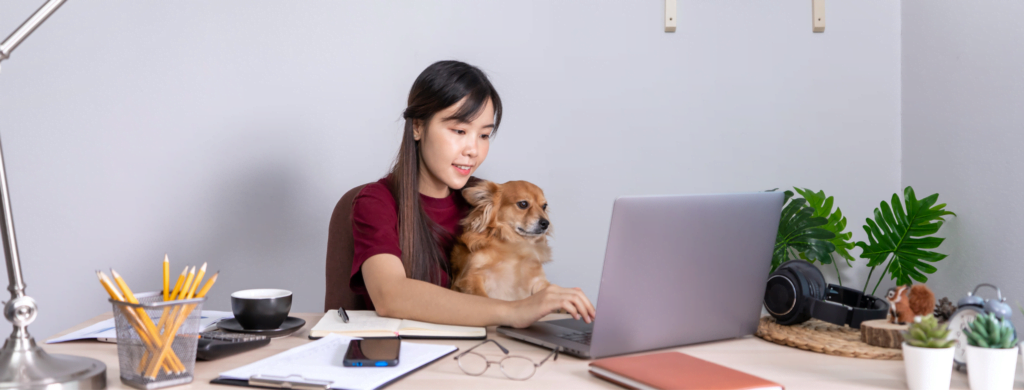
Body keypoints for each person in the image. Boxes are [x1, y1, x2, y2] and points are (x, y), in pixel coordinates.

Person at [348, 60, 595, 328]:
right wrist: (514, 312)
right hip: (404, 347)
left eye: (484, 135)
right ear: (418, 126)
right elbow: (390, 296)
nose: (473, 150)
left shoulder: (489, 202)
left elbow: (519, 280)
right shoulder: (377, 202)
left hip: (485, 346)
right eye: (459, 131)